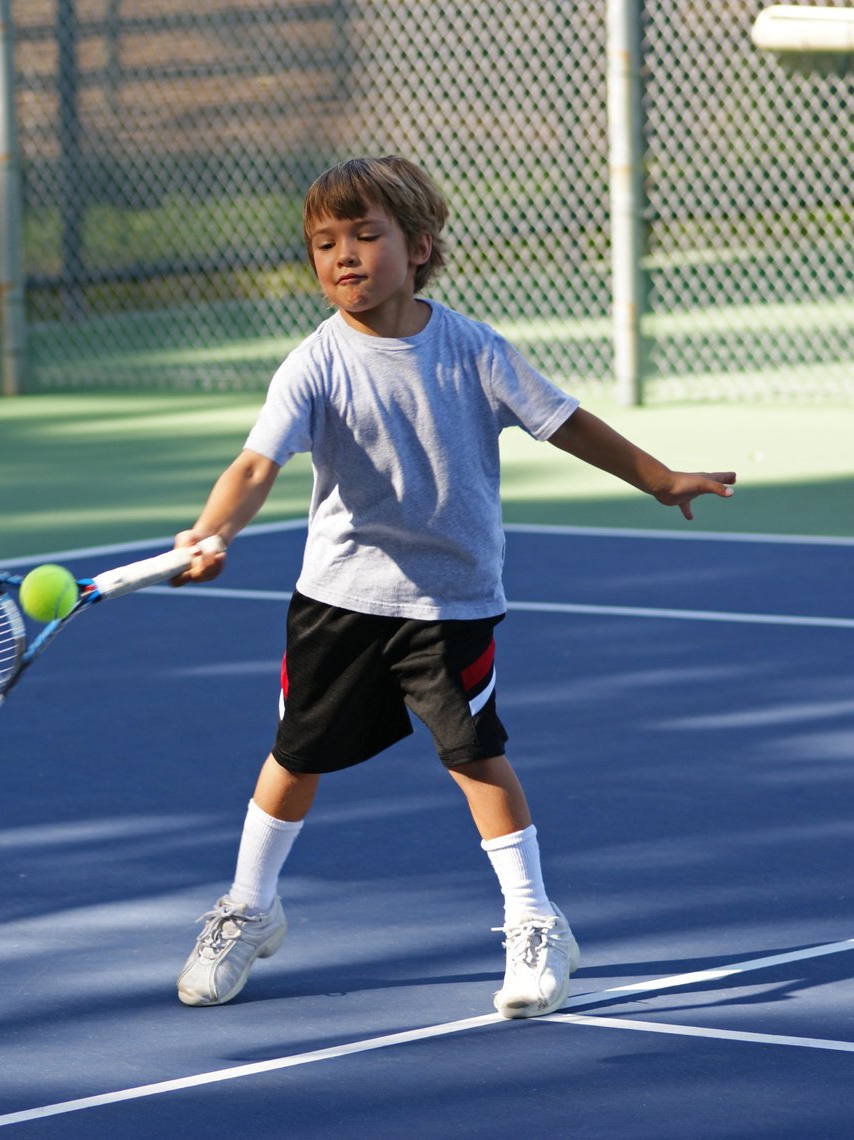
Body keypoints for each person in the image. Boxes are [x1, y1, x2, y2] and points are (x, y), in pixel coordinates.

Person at [168, 155, 736, 1016]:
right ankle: (249, 907)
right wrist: (212, 531)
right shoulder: (314, 363)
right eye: (325, 243)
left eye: (366, 235)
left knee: (474, 755)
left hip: (449, 601)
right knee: (294, 756)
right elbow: (255, 464)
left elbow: (565, 422)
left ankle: (537, 923)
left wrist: (658, 478)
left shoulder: (473, 350)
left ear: (420, 245)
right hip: (337, 597)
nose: (343, 257)